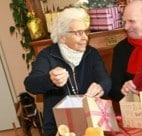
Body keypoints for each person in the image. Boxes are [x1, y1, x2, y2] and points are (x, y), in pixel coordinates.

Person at [24, 8, 111, 136]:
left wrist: (101, 87)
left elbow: (105, 80)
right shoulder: (47, 56)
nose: (85, 37)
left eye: (86, 31)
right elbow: (30, 84)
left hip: (92, 123)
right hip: (60, 127)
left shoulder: (91, 53)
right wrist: (50, 80)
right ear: (63, 37)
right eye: (78, 33)